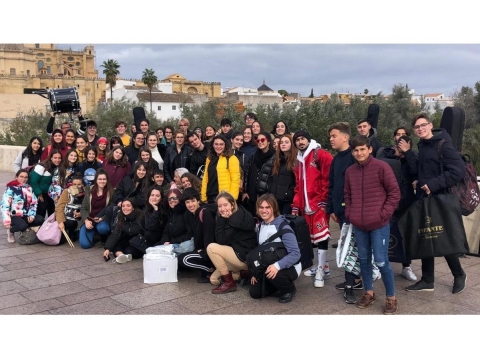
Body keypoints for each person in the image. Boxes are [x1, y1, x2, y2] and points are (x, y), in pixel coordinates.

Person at [405, 113, 467, 294]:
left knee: (444, 238)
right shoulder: (423, 146)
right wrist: (418, 179)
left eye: (423, 125)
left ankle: (459, 274)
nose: (420, 129)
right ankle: (427, 279)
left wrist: (433, 184)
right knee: (426, 237)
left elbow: (458, 171)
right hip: (425, 199)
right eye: (417, 127)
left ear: (430, 125)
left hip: (441, 200)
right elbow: (426, 169)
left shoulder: (443, 145)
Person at [344, 135, 401, 315]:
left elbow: (394, 193)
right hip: (359, 224)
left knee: (382, 261)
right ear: (352, 152)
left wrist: (383, 215)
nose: (359, 153)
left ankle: (391, 297)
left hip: (379, 224)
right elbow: (347, 196)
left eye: (362, 149)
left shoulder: (382, 167)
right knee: (363, 260)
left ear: (369, 149)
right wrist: (350, 214)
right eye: (356, 150)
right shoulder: (350, 172)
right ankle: (369, 293)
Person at [325, 122, 362, 304]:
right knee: (347, 246)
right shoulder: (336, 159)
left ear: (345, 137)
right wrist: (331, 208)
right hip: (340, 212)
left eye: (334, 136)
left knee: (352, 247)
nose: (331, 139)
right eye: (330, 136)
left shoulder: (354, 157)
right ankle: (353, 280)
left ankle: (351, 284)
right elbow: (332, 184)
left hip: (355, 211)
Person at [291, 130, 333, 288]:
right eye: (297, 140)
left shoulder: (320, 155)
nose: (300, 142)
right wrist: (296, 205)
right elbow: (298, 185)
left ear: (308, 140)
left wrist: (324, 201)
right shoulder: (298, 160)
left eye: (303, 139)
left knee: (321, 237)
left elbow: (328, 179)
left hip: (318, 204)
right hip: (305, 206)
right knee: (312, 238)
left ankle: (321, 271)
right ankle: (324, 266)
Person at [376, 127, 418, 282]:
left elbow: (415, 171)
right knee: (384, 232)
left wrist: (407, 153)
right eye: (398, 134)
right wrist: (395, 155)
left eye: (403, 134)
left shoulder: (412, 155)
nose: (400, 137)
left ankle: (406, 266)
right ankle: (380, 265)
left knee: (405, 234)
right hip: (387, 200)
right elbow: (379, 165)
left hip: (406, 200)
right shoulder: (385, 151)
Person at [249, 194, 301, 303]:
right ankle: (274, 283)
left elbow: (295, 254)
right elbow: (260, 251)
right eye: (261, 207)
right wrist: (255, 272)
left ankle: (289, 289)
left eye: (267, 207)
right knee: (255, 293)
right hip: (269, 262)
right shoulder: (260, 226)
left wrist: (277, 266)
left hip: (288, 266)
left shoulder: (283, 226)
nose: (264, 210)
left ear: (274, 208)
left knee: (274, 274)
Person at [206, 191, 257, 294]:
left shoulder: (233, 219)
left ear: (232, 204)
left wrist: (221, 219)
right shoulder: (238, 212)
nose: (223, 209)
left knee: (211, 248)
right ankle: (243, 274)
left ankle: (229, 283)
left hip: (243, 257)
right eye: (220, 206)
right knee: (213, 279)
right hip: (239, 253)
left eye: (225, 205)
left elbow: (221, 240)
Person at [177, 188, 218, 283]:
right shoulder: (193, 214)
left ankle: (210, 270)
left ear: (198, 200)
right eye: (187, 202)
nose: (190, 205)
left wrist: (204, 251)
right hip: (202, 249)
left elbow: (210, 235)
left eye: (193, 201)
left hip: (210, 252)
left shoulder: (205, 212)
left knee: (183, 259)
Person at [2, 169, 43, 243]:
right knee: (22, 226)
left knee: (40, 220)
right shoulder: (10, 189)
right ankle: (11, 230)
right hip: (14, 215)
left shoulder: (29, 188)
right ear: (16, 177)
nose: (24, 179)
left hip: (26, 214)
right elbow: (5, 205)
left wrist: (31, 215)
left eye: (26, 177)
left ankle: (24, 226)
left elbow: (34, 203)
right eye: (21, 176)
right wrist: (7, 221)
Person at [78, 169, 113, 249]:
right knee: (84, 245)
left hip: (102, 220)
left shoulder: (111, 192)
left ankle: (102, 236)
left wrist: (102, 218)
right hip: (89, 219)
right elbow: (83, 208)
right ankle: (92, 234)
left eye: (104, 179)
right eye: (100, 179)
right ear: (96, 180)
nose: (102, 181)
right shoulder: (89, 190)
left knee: (103, 229)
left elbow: (110, 209)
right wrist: (86, 220)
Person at [103, 198, 146, 263]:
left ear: (133, 207)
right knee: (115, 243)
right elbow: (115, 234)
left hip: (139, 241)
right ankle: (121, 256)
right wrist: (107, 249)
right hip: (129, 239)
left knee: (128, 251)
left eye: (128, 206)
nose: (125, 208)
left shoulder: (141, 216)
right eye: (123, 206)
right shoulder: (121, 217)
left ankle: (123, 255)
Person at [201, 134, 241, 203]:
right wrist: (203, 197)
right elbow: (205, 179)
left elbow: (235, 180)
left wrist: (232, 198)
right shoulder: (209, 159)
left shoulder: (231, 158)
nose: (218, 146)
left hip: (224, 198)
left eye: (221, 144)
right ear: (213, 145)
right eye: (216, 144)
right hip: (210, 197)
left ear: (225, 145)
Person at [242, 132, 275, 215]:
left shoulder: (274, 157)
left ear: (268, 141)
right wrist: (245, 191)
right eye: (258, 140)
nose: (260, 142)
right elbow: (247, 174)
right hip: (252, 194)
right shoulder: (253, 156)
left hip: (266, 194)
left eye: (263, 140)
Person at [29, 149, 62, 218]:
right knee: (41, 214)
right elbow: (33, 181)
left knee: (52, 214)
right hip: (41, 194)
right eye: (55, 158)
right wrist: (38, 193)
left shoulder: (58, 167)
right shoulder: (42, 167)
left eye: (59, 158)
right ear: (51, 158)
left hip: (51, 194)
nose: (57, 160)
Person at [269, 134, 297, 215]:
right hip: (275, 199)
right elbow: (271, 178)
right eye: (281, 142)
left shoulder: (295, 161)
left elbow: (296, 181)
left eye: (286, 142)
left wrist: (289, 193)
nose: (283, 144)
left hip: (287, 200)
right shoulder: (276, 160)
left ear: (291, 144)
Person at [55, 175, 85, 243]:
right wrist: (60, 221)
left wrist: (82, 214)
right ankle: (71, 233)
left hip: (82, 216)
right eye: (74, 184)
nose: (76, 186)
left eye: (79, 184)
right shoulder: (67, 192)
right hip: (68, 217)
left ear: (82, 184)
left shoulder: (86, 192)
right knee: (70, 223)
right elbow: (60, 206)